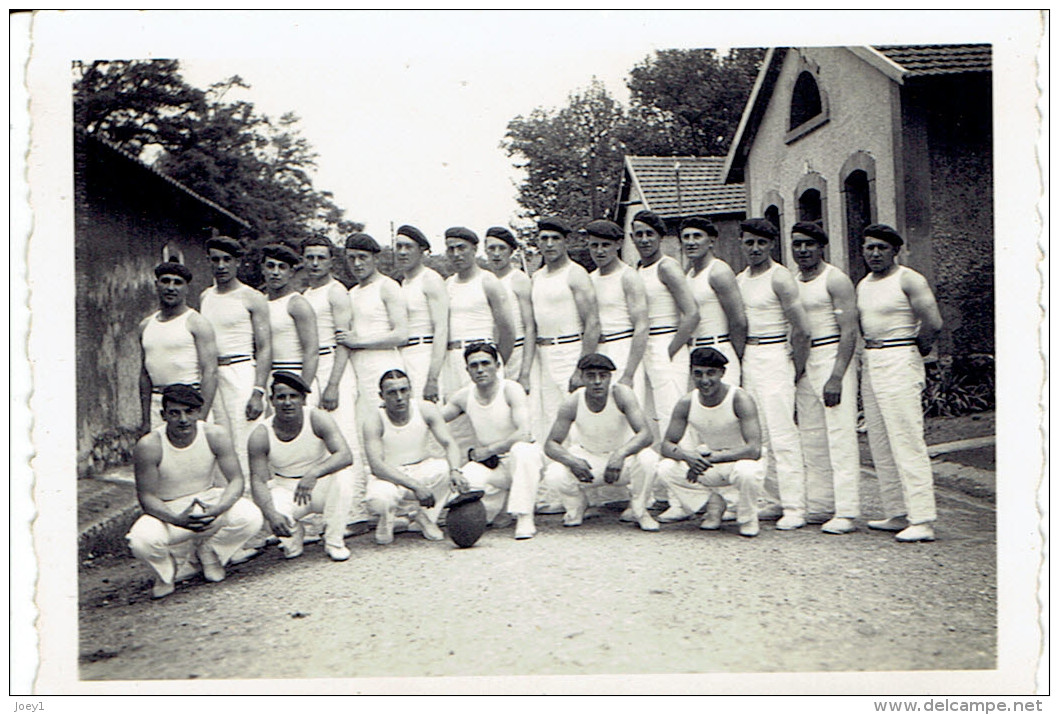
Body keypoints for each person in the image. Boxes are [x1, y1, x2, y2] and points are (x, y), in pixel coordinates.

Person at [127, 384, 263, 599]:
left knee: (250, 516)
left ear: (199, 412)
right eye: (174, 413)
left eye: (189, 412)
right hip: (169, 509)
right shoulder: (149, 445)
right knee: (141, 541)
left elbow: (236, 480)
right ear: (163, 415)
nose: (183, 419)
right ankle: (166, 573)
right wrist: (176, 519)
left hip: (207, 502)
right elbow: (146, 497)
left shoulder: (214, 434)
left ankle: (211, 553)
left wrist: (218, 508)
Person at [857, 223, 943, 543]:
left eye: (882, 248)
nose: (875, 254)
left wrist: (914, 349)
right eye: (869, 248)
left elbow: (932, 322)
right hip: (872, 361)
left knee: (906, 439)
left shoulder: (908, 278)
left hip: (899, 359)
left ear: (895, 250)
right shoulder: (864, 284)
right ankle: (897, 512)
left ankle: (922, 518)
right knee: (880, 441)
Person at [735, 218, 811, 530]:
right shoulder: (740, 279)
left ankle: (795, 506)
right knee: (757, 434)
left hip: (776, 354)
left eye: (761, 243)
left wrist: (795, 369)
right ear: (742, 243)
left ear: (772, 245)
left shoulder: (780, 278)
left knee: (782, 433)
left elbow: (802, 330)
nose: (755, 249)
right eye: (749, 242)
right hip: (751, 357)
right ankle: (769, 499)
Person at [791, 222, 861, 534]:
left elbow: (849, 331)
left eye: (809, 244)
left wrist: (836, 376)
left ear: (822, 246)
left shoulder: (836, 279)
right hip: (806, 360)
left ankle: (846, 511)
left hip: (832, 356)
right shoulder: (793, 281)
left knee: (839, 435)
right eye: (797, 244)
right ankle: (820, 505)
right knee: (812, 436)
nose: (803, 250)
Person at [542, 354, 659, 532]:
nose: (597, 381)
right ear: (581, 378)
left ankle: (640, 510)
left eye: (603, 376)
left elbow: (646, 435)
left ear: (610, 378)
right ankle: (577, 507)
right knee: (554, 473)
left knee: (648, 458)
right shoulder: (573, 401)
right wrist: (572, 461)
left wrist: (620, 454)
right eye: (591, 376)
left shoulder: (622, 394)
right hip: (589, 462)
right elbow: (551, 444)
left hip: (621, 460)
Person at [655, 348, 765, 537]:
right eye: (698, 374)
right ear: (691, 375)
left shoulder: (739, 398)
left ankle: (747, 518)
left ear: (722, 373)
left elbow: (754, 449)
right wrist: (687, 456)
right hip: (708, 463)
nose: (705, 380)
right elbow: (666, 445)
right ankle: (712, 505)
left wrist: (711, 458)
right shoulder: (686, 402)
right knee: (666, 468)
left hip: (737, 461)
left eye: (711, 373)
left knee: (748, 471)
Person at [247, 371, 355, 561]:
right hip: (287, 488)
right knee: (264, 508)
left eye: (293, 396)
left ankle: (334, 540)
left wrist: (314, 473)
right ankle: (294, 533)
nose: (287, 402)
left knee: (344, 477)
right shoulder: (261, 434)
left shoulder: (317, 418)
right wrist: (271, 514)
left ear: (303, 399)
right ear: (272, 401)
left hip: (319, 484)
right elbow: (258, 480)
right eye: (281, 397)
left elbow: (345, 455)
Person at [441, 342, 544, 539]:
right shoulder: (464, 396)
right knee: (467, 478)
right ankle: (500, 508)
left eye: (485, 363)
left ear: (497, 366)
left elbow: (524, 433)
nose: (480, 369)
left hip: (520, 461)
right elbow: (435, 418)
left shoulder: (511, 389)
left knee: (523, 450)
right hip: (494, 466)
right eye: (474, 365)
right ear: (467, 370)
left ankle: (524, 517)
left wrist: (488, 450)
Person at [361, 369, 470, 545]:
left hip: (420, 467)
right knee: (379, 499)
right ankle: (388, 518)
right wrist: (416, 486)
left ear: (410, 390)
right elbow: (376, 466)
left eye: (404, 390)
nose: (399, 397)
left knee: (445, 469)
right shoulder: (374, 419)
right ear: (381, 396)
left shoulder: (425, 409)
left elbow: (449, 444)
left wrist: (456, 470)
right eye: (392, 392)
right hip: (389, 475)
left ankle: (425, 517)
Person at [199, 236, 272, 478]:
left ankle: (255, 503)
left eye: (227, 260)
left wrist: (258, 390)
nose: (221, 266)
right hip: (210, 376)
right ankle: (225, 502)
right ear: (208, 262)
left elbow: (264, 347)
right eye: (215, 260)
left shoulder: (252, 297)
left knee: (246, 439)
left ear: (237, 262)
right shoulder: (205, 297)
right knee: (217, 439)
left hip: (241, 373)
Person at [530, 216, 601, 441]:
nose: (549, 244)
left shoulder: (576, 273)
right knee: (550, 417)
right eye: (544, 239)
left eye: (555, 239)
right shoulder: (536, 276)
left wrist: (582, 367)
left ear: (565, 242)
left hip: (570, 351)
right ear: (538, 243)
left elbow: (592, 323)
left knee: (576, 415)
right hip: (543, 354)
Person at [630, 210, 700, 438]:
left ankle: (682, 470)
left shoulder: (667, 267)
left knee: (671, 413)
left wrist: (671, 349)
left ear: (660, 237)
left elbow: (691, 314)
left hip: (666, 344)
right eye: (638, 234)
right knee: (650, 413)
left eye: (650, 234)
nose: (644, 239)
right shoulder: (637, 269)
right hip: (643, 346)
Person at [139, 262, 219, 433]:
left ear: (186, 288)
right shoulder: (146, 325)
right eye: (165, 281)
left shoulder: (197, 323)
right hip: (158, 406)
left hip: (189, 405)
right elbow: (145, 374)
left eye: (177, 283)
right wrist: (145, 419)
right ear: (156, 285)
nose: (171, 287)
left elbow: (210, 372)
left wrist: (200, 416)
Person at [442, 226, 515, 397]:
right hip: (453, 361)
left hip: (481, 359)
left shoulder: (488, 281)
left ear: (474, 249)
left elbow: (508, 331)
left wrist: (495, 362)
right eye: (451, 249)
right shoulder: (448, 284)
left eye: (461, 248)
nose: (456, 254)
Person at [338, 232, 408, 404]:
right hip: (358, 366)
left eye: (362, 257)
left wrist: (358, 342)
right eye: (351, 258)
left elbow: (401, 335)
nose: (357, 263)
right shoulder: (352, 292)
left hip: (383, 363)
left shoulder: (387, 286)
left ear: (376, 258)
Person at [680, 216, 746, 386]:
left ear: (711, 241)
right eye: (686, 237)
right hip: (695, 353)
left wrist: (733, 356)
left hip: (719, 349)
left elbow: (738, 321)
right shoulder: (689, 275)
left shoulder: (719, 271)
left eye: (697, 236)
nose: (691, 242)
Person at [585, 219, 648, 393]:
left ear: (618, 244)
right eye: (594, 245)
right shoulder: (590, 278)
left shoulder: (628, 276)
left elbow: (641, 327)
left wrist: (629, 373)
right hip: (598, 352)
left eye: (605, 245)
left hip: (623, 349)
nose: (599, 251)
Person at [394, 225, 449, 402]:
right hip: (403, 356)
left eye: (408, 247)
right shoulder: (403, 283)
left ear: (421, 251)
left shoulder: (430, 280)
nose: (402, 252)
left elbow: (441, 329)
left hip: (424, 356)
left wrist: (432, 378)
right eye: (399, 247)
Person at [483, 226, 536, 394]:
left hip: (518, 353)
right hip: (492, 354)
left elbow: (530, 327)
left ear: (511, 251)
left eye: (502, 248)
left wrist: (525, 373)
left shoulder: (518, 279)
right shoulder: (485, 279)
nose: (497, 254)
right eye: (492, 248)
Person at [262, 243, 318, 387]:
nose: (275, 272)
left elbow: (311, 352)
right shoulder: (260, 302)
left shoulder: (297, 304)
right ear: (263, 269)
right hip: (267, 377)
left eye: (282, 267)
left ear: (291, 272)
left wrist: (303, 388)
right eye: (270, 266)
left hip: (294, 374)